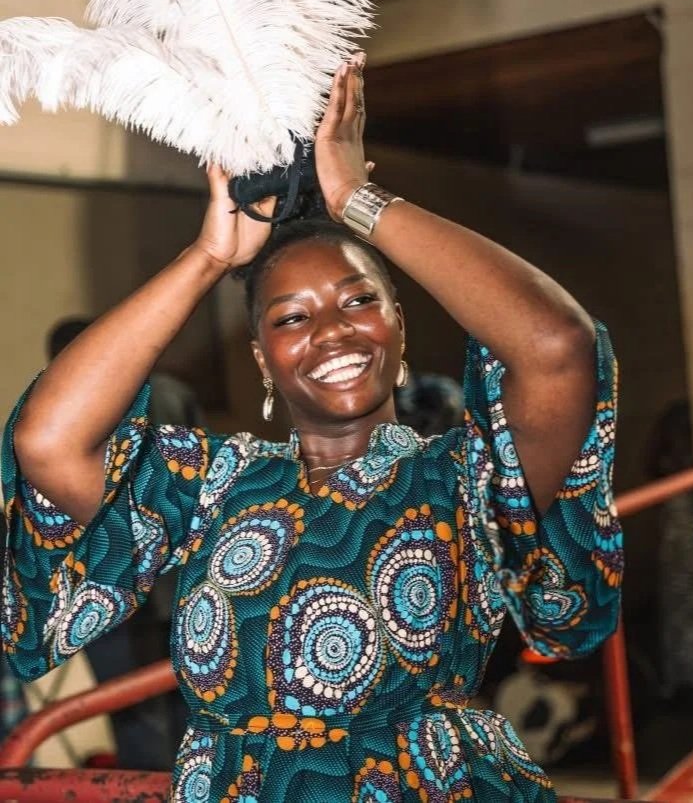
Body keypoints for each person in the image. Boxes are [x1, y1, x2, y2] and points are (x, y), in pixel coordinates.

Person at [2, 56, 622, 802]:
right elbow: (47, 440)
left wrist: (359, 199)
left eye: (358, 301)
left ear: (398, 323)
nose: (330, 332)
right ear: (263, 357)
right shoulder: (214, 485)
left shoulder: (463, 477)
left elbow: (557, 346)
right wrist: (208, 258)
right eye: (291, 317)